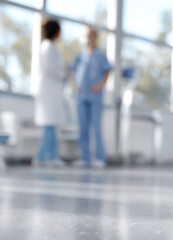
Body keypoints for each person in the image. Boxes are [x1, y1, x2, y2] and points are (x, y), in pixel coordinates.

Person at [70, 29, 111, 168]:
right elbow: (73, 72)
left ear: (95, 37)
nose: (89, 39)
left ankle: (100, 157)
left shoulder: (100, 56)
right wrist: (76, 85)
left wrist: (99, 86)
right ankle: (85, 157)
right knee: (82, 128)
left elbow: (107, 72)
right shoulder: (80, 55)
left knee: (96, 127)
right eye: (87, 36)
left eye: (91, 36)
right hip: (81, 95)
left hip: (95, 95)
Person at [33, 19, 66, 167]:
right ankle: (47, 157)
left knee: (50, 125)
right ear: (56, 32)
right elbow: (53, 69)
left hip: (50, 90)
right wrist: (66, 75)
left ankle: (44, 156)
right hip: (49, 90)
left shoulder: (48, 47)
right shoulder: (48, 47)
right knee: (50, 125)